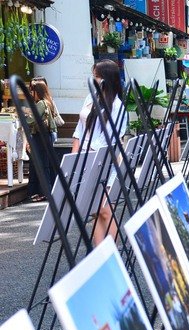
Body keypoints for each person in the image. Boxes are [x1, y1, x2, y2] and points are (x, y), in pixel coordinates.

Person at [72, 59, 127, 245]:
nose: (93, 79)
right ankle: (98, 254)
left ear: (106, 79)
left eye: (96, 76)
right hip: (83, 156)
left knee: (104, 209)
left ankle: (112, 254)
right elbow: (79, 129)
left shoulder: (118, 106)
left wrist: (88, 155)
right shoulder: (90, 98)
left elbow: (110, 139)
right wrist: (75, 155)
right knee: (94, 210)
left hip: (102, 159)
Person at [26, 80, 58, 202]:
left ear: (37, 91)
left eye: (32, 91)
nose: (31, 93)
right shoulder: (48, 101)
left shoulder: (41, 104)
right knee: (45, 163)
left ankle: (43, 192)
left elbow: (32, 119)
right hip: (46, 136)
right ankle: (46, 191)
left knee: (41, 164)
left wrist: (24, 116)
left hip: (40, 136)